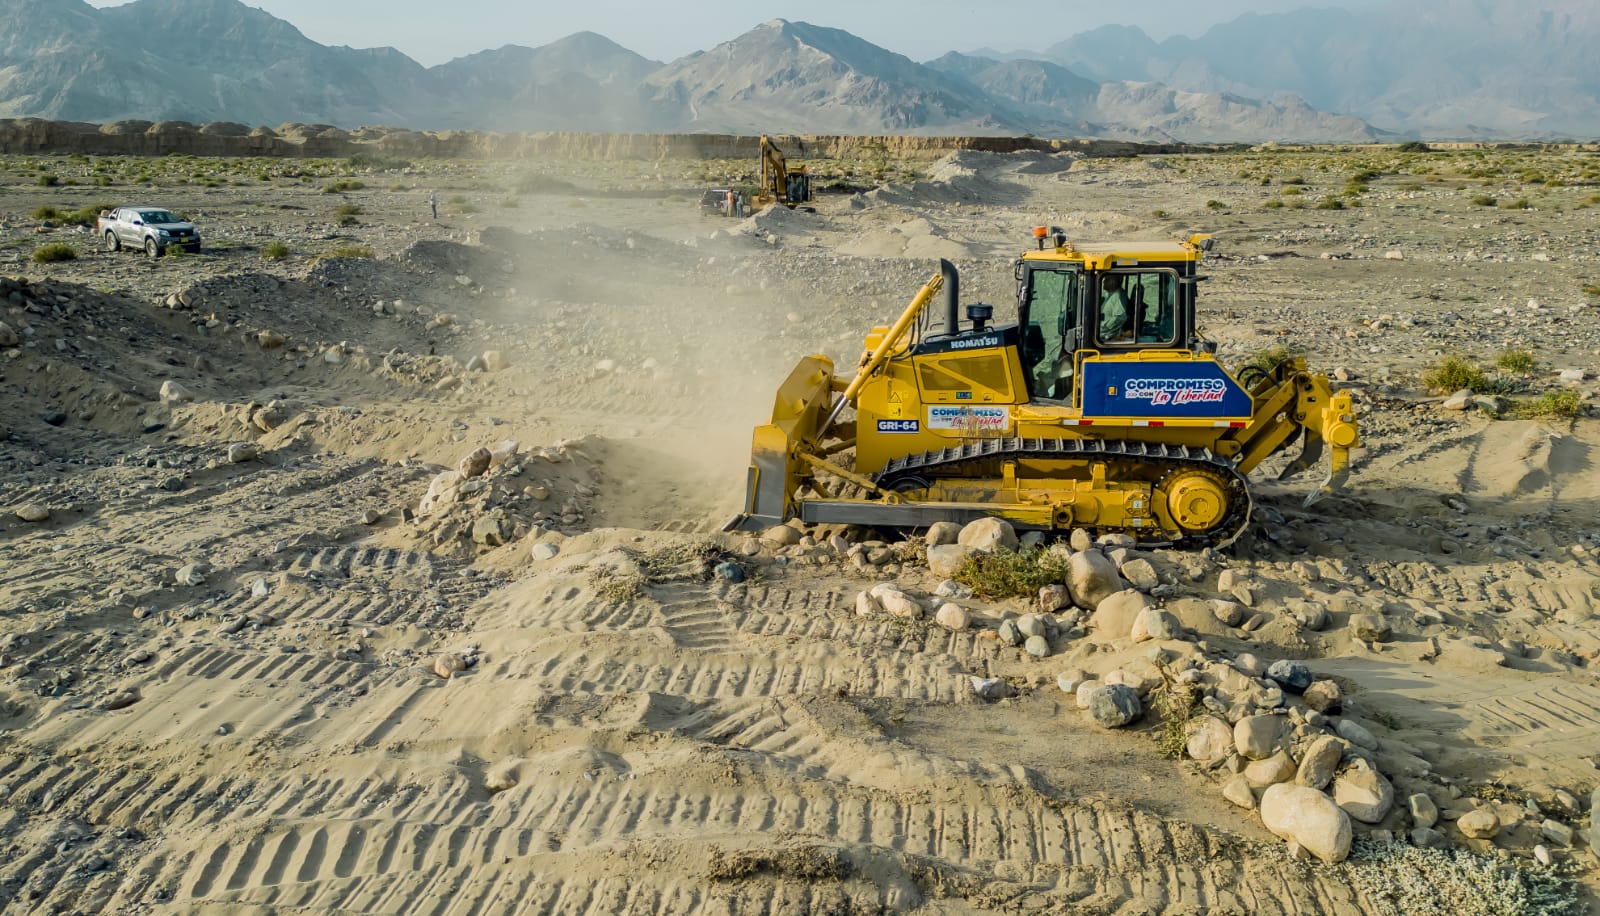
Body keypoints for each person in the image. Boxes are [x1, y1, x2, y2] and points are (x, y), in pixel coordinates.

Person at [1099, 274, 1131, 341]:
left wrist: (1104, 328)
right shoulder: (1110, 295)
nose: (1104, 281)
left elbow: (1120, 317)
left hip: (1108, 336)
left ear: (1116, 281)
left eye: (1107, 279)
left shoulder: (1118, 296)